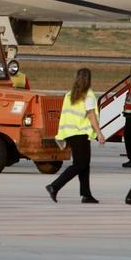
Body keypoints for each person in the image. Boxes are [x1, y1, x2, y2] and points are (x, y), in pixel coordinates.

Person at [45, 68, 105, 204]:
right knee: (80, 164)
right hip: (80, 133)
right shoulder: (88, 95)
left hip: (70, 133)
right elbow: (91, 115)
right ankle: (54, 186)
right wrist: (99, 133)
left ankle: (86, 194)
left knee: (84, 164)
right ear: (89, 79)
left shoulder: (70, 95)